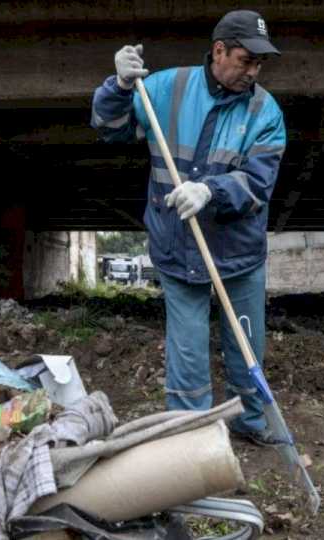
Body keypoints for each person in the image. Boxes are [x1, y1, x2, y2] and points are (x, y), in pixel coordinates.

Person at [90, 10, 286, 446]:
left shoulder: (265, 112)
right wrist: (119, 87)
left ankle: (251, 420)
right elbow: (109, 128)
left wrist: (210, 191)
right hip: (178, 248)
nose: (252, 72)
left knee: (246, 344)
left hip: (239, 254)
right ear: (218, 51)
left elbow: (258, 184)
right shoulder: (166, 88)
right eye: (244, 60)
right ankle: (190, 438)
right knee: (188, 349)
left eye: (259, 64)